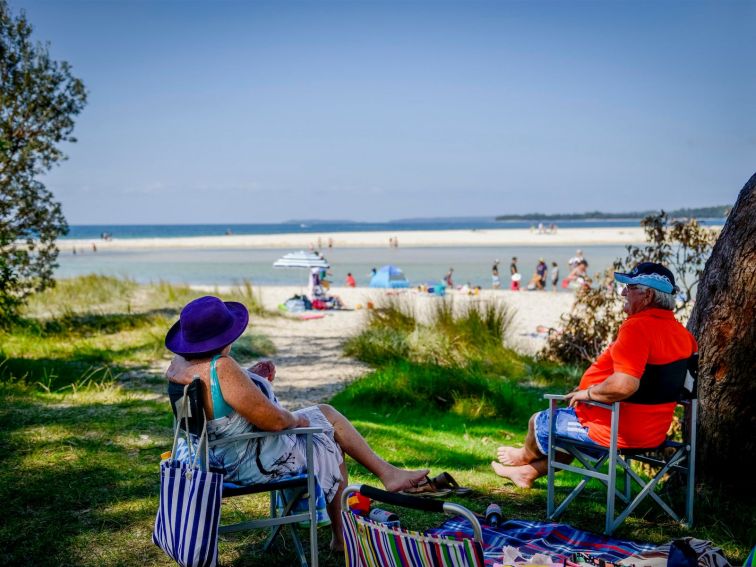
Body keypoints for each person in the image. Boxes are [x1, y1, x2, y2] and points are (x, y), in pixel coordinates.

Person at [165, 296, 429, 550]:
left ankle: (381, 482)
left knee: (325, 415)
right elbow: (275, 421)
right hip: (246, 463)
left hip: (214, 455)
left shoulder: (180, 366)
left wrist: (252, 379)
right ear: (227, 336)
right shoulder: (221, 367)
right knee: (328, 439)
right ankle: (344, 531)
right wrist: (297, 419)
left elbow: (223, 400)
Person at [492, 263, 697, 488]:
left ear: (647, 295)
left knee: (540, 421)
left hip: (615, 430)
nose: (623, 293)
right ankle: (526, 474)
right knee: (569, 430)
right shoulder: (685, 337)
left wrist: (587, 394)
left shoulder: (637, 328)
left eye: (629, 287)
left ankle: (523, 455)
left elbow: (624, 386)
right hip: (653, 433)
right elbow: (687, 391)